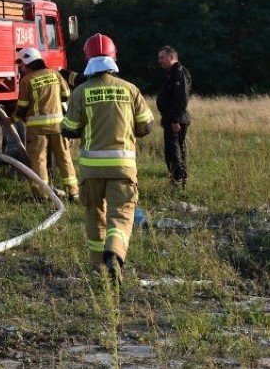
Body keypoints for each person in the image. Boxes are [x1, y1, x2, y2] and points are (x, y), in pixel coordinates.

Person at [61, 33, 154, 285]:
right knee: (121, 215)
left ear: (87, 59)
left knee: (94, 214)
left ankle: (97, 266)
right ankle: (114, 253)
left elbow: (68, 128)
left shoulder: (81, 92)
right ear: (114, 58)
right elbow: (147, 126)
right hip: (123, 169)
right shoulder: (130, 90)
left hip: (91, 170)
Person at [11, 47, 79, 202]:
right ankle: (73, 193)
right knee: (64, 158)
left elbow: (22, 107)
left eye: (22, 65)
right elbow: (65, 95)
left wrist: (13, 119)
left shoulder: (26, 80)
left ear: (28, 62)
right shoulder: (55, 74)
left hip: (37, 129)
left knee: (39, 160)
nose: (21, 68)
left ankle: (41, 195)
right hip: (59, 126)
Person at [156, 45, 191, 189]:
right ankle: (175, 179)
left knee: (175, 151)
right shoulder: (171, 72)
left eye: (162, 57)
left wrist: (175, 120)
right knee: (171, 151)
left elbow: (181, 98)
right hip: (170, 119)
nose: (159, 61)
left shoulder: (179, 72)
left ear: (171, 57)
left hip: (176, 121)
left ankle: (178, 180)